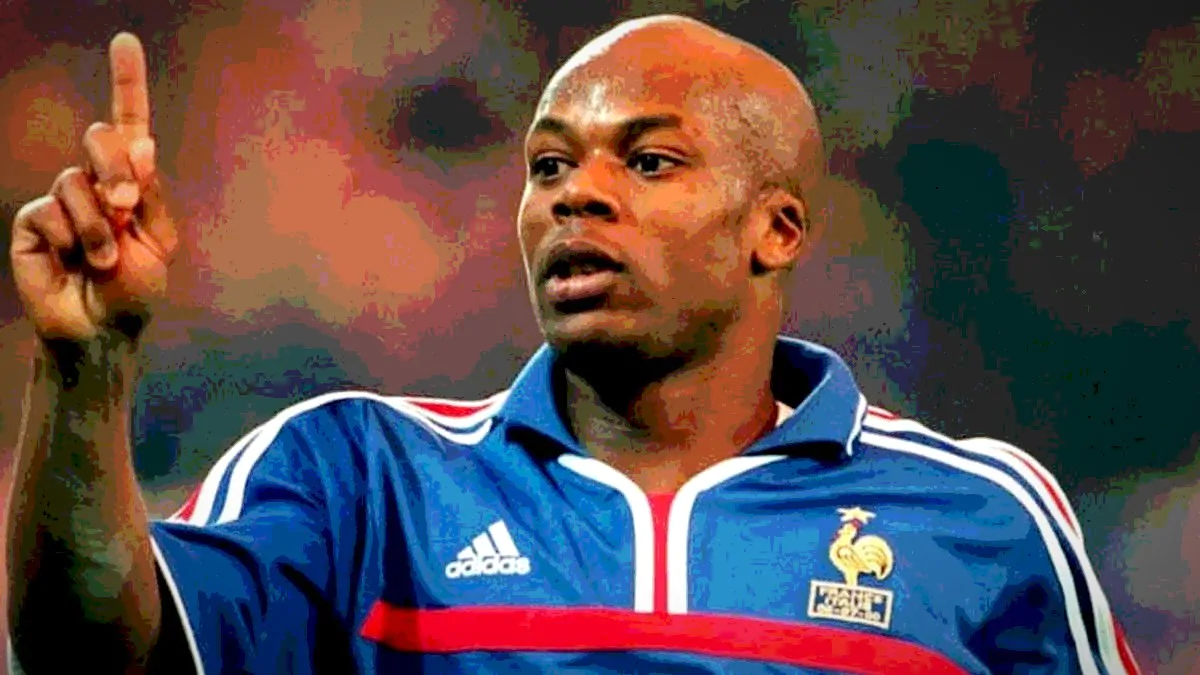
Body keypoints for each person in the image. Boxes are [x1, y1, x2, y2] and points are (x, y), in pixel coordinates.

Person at [5, 14, 1141, 675]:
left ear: (776, 229)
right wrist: (83, 372)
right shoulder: (358, 479)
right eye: (549, 164)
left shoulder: (985, 518)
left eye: (646, 161)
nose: (573, 195)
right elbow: (89, 655)